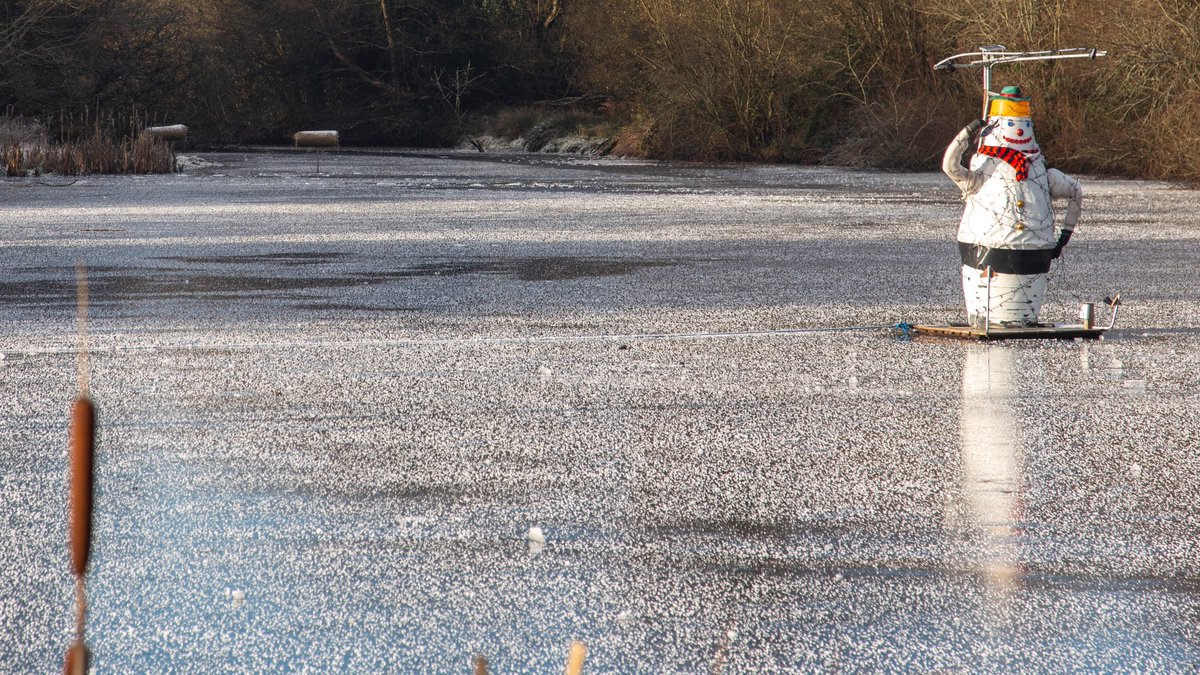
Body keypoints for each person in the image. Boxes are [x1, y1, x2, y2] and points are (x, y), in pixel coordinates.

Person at [942, 85, 1082, 326]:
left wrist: (1064, 236)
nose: (1019, 130)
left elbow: (1075, 192)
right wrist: (967, 132)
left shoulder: (1038, 171)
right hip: (987, 246)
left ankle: (1020, 318)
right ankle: (986, 317)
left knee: (1022, 300)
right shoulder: (984, 169)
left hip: (1035, 250)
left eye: (1024, 124)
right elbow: (950, 166)